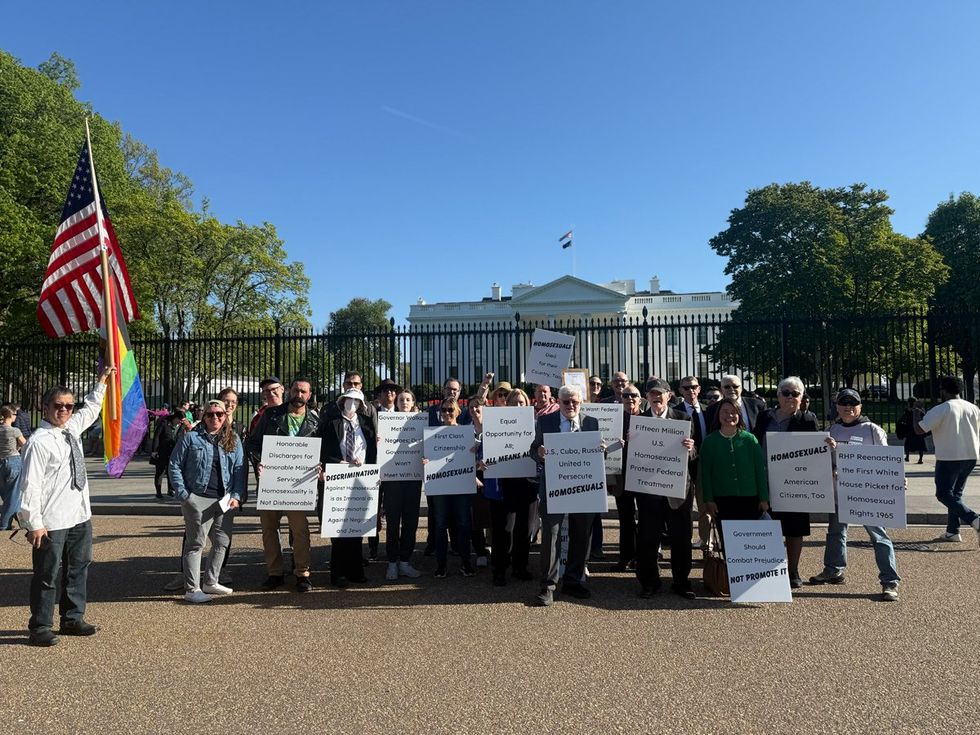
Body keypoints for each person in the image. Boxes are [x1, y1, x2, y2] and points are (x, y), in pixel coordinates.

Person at [17, 366, 113, 647]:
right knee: (47, 574)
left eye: (69, 406)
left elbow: (91, 409)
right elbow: (29, 485)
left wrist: (102, 383)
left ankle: (72, 618)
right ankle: (40, 626)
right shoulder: (39, 442)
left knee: (78, 567)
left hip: (79, 515)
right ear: (46, 407)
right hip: (52, 519)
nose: (65, 410)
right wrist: (32, 522)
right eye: (58, 405)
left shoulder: (71, 429)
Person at [808, 389, 901, 601]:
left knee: (879, 536)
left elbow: (886, 459)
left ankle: (889, 581)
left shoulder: (872, 429)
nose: (848, 407)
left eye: (853, 403)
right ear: (837, 407)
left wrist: (895, 479)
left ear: (860, 406)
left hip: (869, 494)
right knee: (835, 532)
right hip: (841, 493)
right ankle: (833, 569)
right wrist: (831, 460)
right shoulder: (833, 429)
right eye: (843, 403)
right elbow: (828, 462)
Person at [529, 384, 601, 606]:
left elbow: (596, 456)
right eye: (566, 401)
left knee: (581, 534)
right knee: (551, 535)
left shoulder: (591, 423)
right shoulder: (546, 422)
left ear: (581, 403)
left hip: (584, 488)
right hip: (554, 487)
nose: (571, 405)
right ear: (558, 402)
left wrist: (602, 451)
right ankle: (548, 585)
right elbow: (533, 450)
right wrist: (539, 454)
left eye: (575, 402)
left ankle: (572, 581)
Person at [246, 378, 320, 592]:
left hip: (298, 485)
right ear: (289, 391)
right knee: (269, 529)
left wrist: (319, 465)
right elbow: (252, 443)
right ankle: (275, 573)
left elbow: (321, 449)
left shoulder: (315, 420)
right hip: (271, 482)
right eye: (296, 390)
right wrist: (259, 461)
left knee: (300, 530)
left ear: (309, 395)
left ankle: (302, 573)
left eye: (303, 391)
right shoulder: (271, 415)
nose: (299, 394)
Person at [168, 399, 245, 603]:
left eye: (219, 414)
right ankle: (192, 588)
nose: (215, 418)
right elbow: (174, 465)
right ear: (204, 417)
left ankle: (211, 580)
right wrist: (184, 495)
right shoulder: (191, 438)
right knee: (195, 544)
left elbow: (239, 470)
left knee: (221, 542)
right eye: (210, 414)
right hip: (198, 498)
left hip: (224, 500)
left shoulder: (233, 439)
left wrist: (236, 496)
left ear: (225, 416)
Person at [752, 376, 822, 588]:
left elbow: (815, 449)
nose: (790, 397)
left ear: (801, 397)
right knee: (767, 523)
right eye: (786, 393)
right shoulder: (764, 417)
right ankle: (770, 569)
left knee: (795, 528)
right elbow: (755, 443)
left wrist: (828, 444)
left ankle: (792, 571)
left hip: (795, 482)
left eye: (795, 394)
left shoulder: (808, 419)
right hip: (767, 479)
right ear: (778, 395)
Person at [633, 379, 697, 599]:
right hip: (649, 491)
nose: (656, 397)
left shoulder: (683, 418)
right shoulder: (638, 421)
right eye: (652, 393)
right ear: (647, 397)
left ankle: (681, 582)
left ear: (669, 396)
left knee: (681, 538)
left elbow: (695, 455)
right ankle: (649, 583)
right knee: (648, 538)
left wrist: (690, 449)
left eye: (660, 393)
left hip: (677, 491)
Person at [319, 388, 376, 587]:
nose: (352, 404)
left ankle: (355, 571)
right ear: (342, 402)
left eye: (356, 401)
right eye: (349, 400)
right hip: (338, 478)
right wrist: (337, 463)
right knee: (339, 529)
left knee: (356, 526)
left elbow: (374, 451)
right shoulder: (331, 423)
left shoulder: (367, 425)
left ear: (361, 405)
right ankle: (338, 573)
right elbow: (323, 450)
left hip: (360, 479)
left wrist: (369, 465)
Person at [913, 376, 980, 544]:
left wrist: (916, 412)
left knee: (943, 494)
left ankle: (975, 519)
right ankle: (952, 531)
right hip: (971, 455)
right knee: (955, 494)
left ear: (944, 390)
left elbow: (920, 430)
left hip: (949, 456)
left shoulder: (941, 409)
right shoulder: (973, 408)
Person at [700, 398, 770, 537]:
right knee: (728, 542)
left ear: (739, 415)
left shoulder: (750, 439)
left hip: (749, 499)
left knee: (749, 541)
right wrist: (709, 500)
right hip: (722, 501)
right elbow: (705, 474)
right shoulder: (709, 441)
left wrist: (763, 499)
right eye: (725, 412)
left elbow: (759, 471)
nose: (729, 416)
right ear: (718, 414)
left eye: (733, 412)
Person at [488, 389, 536, 585]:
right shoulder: (496, 425)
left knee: (525, 529)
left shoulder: (535, 426)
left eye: (521, 403)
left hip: (527, 484)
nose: (518, 406)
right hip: (504, 483)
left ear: (527, 405)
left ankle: (520, 566)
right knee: (504, 529)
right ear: (506, 405)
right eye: (514, 402)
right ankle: (499, 569)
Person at [426, 399, 475, 578]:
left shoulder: (466, 433)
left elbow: (474, 454)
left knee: (463, 523)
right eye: (443, 410)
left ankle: (466, 562)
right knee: (440, 525)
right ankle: (441, 564)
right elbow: (428, 457)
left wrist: (473, 451)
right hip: (440, 485)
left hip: (460, 484)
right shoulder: (432, 434)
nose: (447, 413)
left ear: (458, 412)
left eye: (450, 410)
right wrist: (426, 461)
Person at [382, 390, 423, 581]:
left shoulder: (420, 422)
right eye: (401, 400)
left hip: (413, 479)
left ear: (413, 402)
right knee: (392, 523)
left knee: (410, 522)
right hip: (393, 480)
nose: (404, 402)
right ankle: (392, 563)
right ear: (396, 403)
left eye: (408, 399)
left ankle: (405, 562)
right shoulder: (386, 422)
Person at [610, 384, 644, 572]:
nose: (630, 399)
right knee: (626, 518)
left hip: (644, 476)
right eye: (626, 395)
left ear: (641, 399)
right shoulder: (614, 420)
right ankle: (625, 557)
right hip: (622, 476)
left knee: (646, 519)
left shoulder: (648, 419)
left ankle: (642, 557)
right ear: (620, 398)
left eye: (634, 395)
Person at [676, 376, 710, 550]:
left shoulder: (708, 410)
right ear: (680, 390)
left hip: (705, 466)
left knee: (706, 507)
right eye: (686, 388)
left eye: (694, 387)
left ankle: (706, 542)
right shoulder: (675, 412)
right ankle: (684, 543)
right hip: (684, 467)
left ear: (699, 389)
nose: (691, 391)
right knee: (685, 508)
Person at [0, 406, 27, 530]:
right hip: (13, 460)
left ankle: (22, 520)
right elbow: (25, 444)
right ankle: (5, 523)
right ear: (10, 416)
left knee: (6, 494)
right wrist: (18, 448)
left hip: (1, 461)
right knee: (14, 493)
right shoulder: (14, 430)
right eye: (15, 414)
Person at [150, 412, 183, 498]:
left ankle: (170, 490)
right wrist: (154, 450)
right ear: (175, 418)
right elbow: (157, 436)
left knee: (171, 472)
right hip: (162, 451)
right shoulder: (164, 423)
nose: (180, 422)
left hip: (173, 452)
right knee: (160, 472)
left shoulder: (181, 427)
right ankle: (158, 492)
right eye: (179, 420)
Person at [898, 398, 927, 463]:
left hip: (910, 430)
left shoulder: (908, 411)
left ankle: (907, 457)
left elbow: (903, 419)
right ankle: (920, 459)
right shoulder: (920, 410)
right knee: (920, 445)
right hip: (918, 429)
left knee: (908, 444)